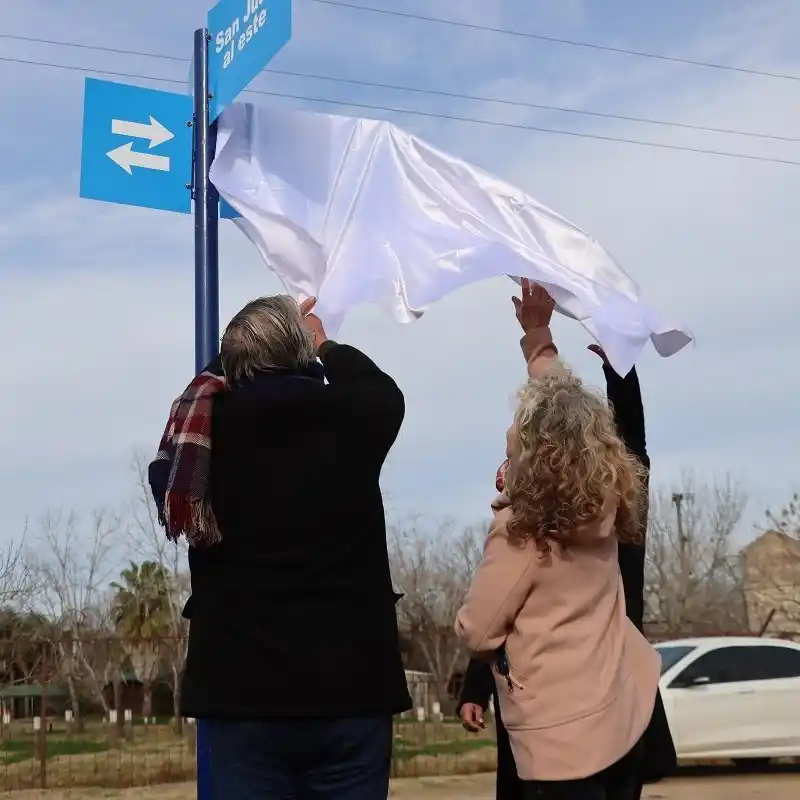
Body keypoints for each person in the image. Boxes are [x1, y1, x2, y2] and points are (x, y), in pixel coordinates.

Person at [148, 295, 411, 800]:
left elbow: (166, 479)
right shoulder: (353, 414)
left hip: (239, 694)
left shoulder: (202, 432)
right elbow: (385, 392)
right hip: (351, 689)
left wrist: (236, 351)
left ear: (233, 359)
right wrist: (323, 341)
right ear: (302, 353)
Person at [455, 281, 661, 800]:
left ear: (532, 453)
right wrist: (538, 337)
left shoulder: (522, 531)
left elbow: (478, 631)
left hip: (561, 749)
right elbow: (568, 417)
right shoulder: (607, 501)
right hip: (622, 726)